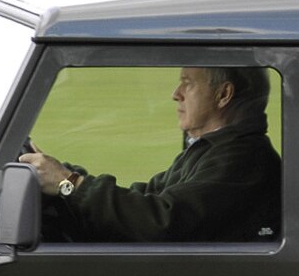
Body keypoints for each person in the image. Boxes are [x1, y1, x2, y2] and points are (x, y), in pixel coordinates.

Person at [19, 65, 281, 244]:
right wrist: (63, 176)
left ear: (223, 94)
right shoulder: (214, 150)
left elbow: (159, 222)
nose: (175, 94)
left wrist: (69, 184)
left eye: (187, 85)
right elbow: (146, 198)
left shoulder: (242, 161)